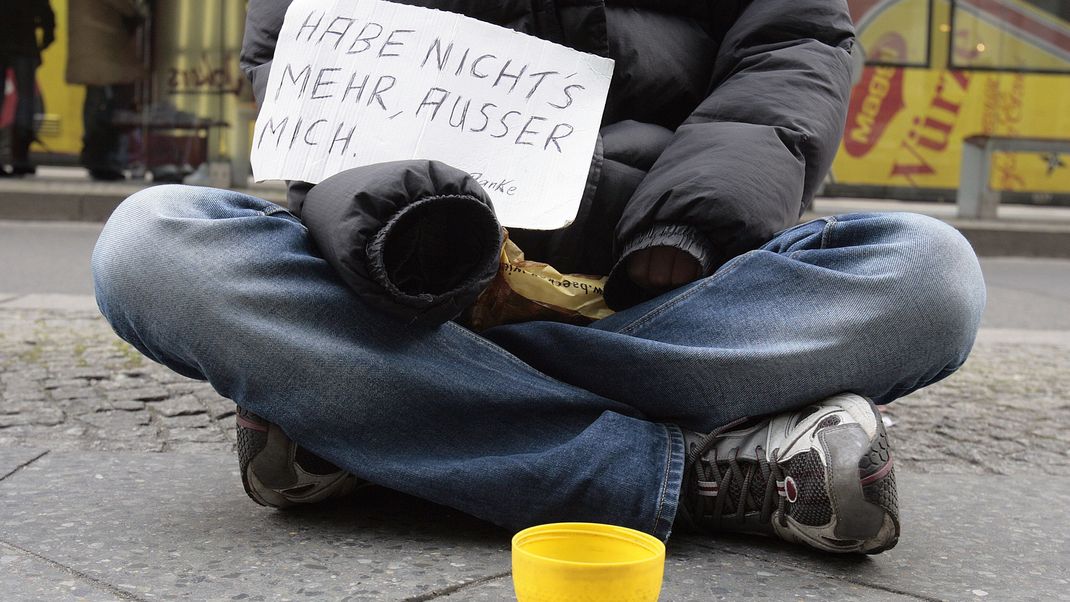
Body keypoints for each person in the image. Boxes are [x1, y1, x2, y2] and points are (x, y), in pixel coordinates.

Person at [92, 0, 986, 556]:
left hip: (668, 288)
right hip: (415, 289)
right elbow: (309, 82)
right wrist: (419, 231)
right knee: (152, 244)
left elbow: (790, 50)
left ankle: (384, 426)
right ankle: (709, 470)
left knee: (932, 275)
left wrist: (688, 226)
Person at [66, 0, 147, 181]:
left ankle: (97, 158)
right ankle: (100, 159)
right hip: (102, 44)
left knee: (96, 103)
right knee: (103, 107)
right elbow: (128, 7)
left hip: (94, 43)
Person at [0, 0, 54, 177]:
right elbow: (45, 11)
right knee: (26, 99)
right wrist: (47, 35)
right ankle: (20, 156)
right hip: (24, 41)